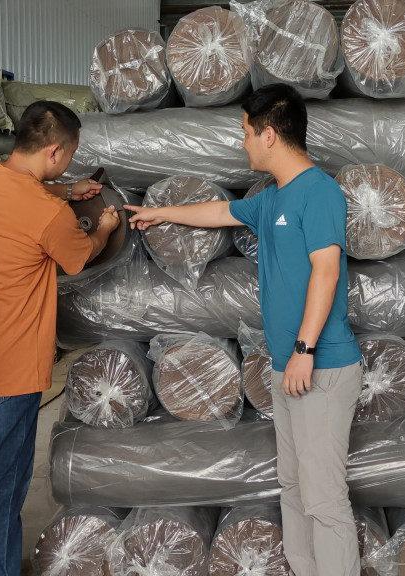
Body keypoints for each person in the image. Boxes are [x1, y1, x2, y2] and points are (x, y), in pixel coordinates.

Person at [125, 83, 363, 576]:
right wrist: (159, 213)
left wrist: (304, 349)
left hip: (320, 365)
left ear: (269, 134)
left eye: (246, 132)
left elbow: (326, 272)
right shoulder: (272, 198)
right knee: (294, 487)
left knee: (324, 497)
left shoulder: (319, 192)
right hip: (287, 366)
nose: (243, 142)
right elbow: (219, 213)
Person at [0, 100, 119, 576]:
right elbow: (81, 254)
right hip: (11, 371)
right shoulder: (50, 215)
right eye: (69, 156)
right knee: (4, 487)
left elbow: (21, 193)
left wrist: (68, 189)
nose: (68, 164)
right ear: (54, 152)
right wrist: (104, 227)